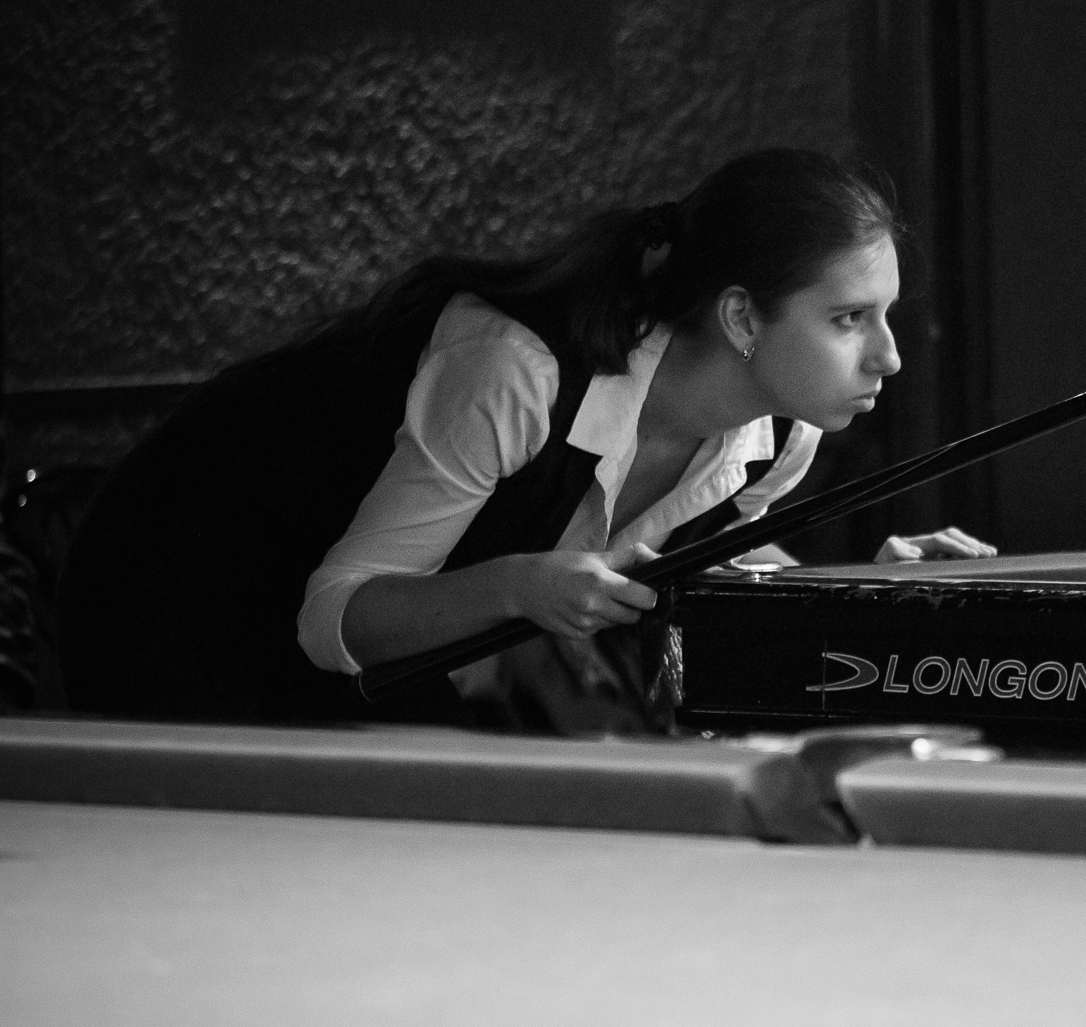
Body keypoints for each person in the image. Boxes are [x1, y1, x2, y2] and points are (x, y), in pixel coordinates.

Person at [61, 148, 990, 726]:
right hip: (184, 578)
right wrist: (518, 585)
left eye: (884, 315)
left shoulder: (779, 432)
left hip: (357, 650)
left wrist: (862, 592)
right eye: (849, 318)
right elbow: (333, 615)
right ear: (743, 317)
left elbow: (698, 560)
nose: (889, 356)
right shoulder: (515, 372)